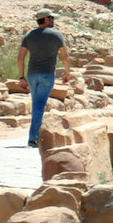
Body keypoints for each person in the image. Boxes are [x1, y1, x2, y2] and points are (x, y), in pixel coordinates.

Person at [17, 8, 70, 148]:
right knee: (39, 105)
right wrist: (67, 73)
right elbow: (64, 56)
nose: (53, 20)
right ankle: (33, 138)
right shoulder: (56, 35)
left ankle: (36, 134)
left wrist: (21, 77)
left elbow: (20, 58)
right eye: (52, 18)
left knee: (36, 104)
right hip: (47, 75)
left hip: (32, 75)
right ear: (46, 19)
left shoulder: (29, 35)